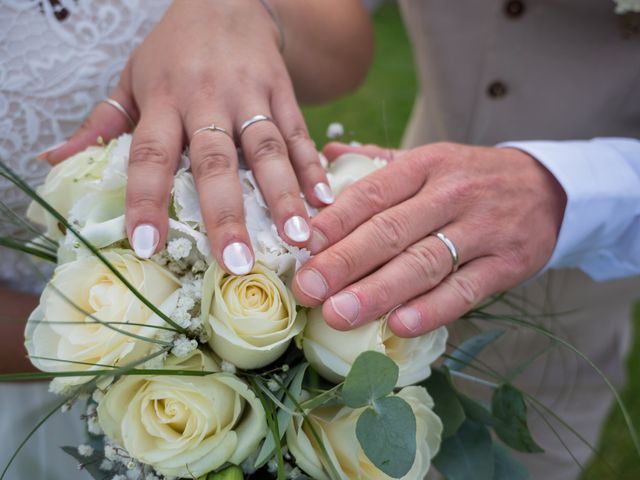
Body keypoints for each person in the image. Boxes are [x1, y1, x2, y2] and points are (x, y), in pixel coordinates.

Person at [2, 0, 638, 478]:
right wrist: (152, 340)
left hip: (559, 309)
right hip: (100, 400)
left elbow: (339, 44)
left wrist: (577, 192)